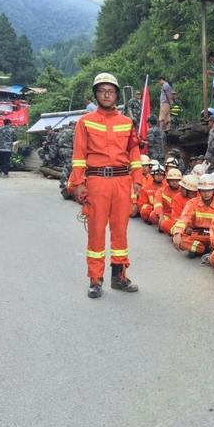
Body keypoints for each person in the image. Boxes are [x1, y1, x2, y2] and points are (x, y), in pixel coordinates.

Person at [69, 72, 143, 298]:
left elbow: (134, 151)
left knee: (120, 231)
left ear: (116, 95)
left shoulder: (127, 122)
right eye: (102, 91)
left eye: (110, 91)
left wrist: (138, 179)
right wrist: (78, 184)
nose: (107, 94)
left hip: (122, 181)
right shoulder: (85, 122)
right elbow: (79, 155)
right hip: (97, 181)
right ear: (96, 95)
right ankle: (95, 279)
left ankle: (119, 277)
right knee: (96, 232)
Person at [172, 173, 214, 258]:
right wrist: (177, 233)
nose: (206, 193)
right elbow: (184, 218)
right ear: (199, 191)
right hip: (197, 236)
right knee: (181, 240)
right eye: (203, 190)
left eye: (209, 190)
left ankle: (202, 250)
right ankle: (205, 250)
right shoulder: (192, 203)